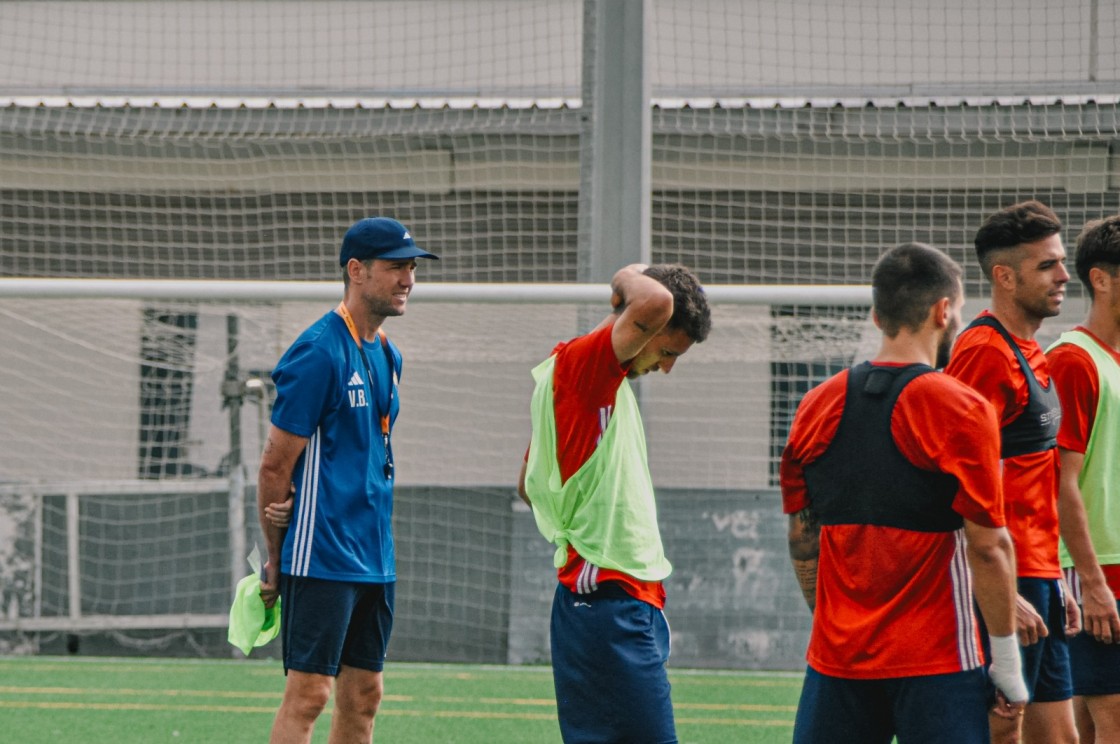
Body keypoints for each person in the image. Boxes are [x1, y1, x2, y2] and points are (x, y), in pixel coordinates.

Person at [781, 242, 1028, 743]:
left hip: (836, 661)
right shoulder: (960, 407)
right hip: (937, 661)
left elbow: (803, 539)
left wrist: (838, 627)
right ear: (944, 311)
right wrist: (1007, 666)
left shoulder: (814, 405)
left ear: (877, 315)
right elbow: (989, 546)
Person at [257, 216, 438, 744]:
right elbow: (274, 465)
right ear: (356, 271)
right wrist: (274, 560)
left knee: (364, 696)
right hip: (321, 553)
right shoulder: (318, 350)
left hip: (374, 552)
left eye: (411, 269)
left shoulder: (388, 353)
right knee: (309, 694)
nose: (408, 280)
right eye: (395, 268)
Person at [517, 263, 711, 744]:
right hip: (607, 603)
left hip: (611, 604)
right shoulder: (586, 369)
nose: (666, 367)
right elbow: (653, 302)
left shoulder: (594, 387)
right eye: (667, 351)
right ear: (639, 326)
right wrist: (629, 275)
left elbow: (528, 482)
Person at [944, 200, 1080, 744]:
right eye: (1047, 264)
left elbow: (1034, 476)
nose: (1064, 275)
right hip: (1007, 578)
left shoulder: (1032, 351)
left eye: (1062, 261)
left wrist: (1056, 577)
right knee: (1002, 732)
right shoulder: (982, 353)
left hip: (1040, 575)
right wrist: (999, 590)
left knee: (1060, 738)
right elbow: (953, 478)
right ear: (1004, 276)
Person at [1047, 215, 1120, 744]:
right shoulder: (1073, 359)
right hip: (1094, 569)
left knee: (1097, 723)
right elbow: (1059, 480)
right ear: (1100, 278)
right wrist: (1091, 583)